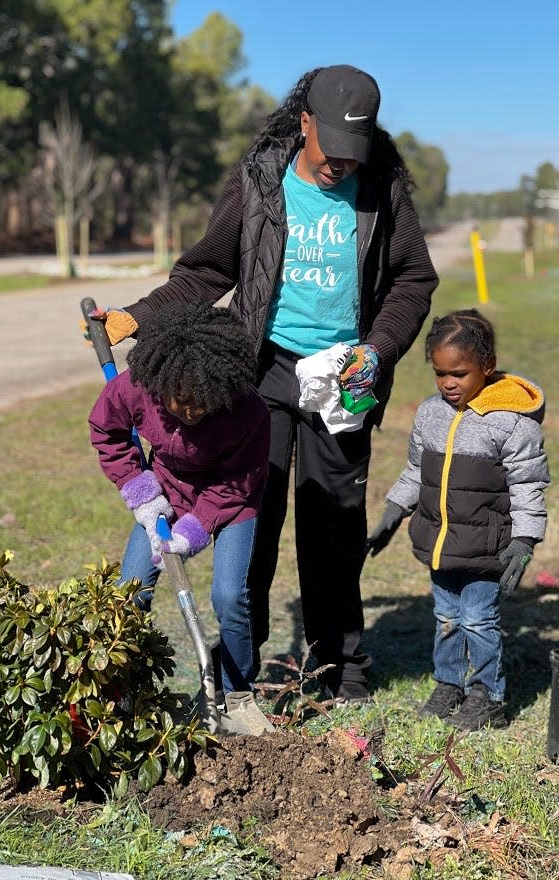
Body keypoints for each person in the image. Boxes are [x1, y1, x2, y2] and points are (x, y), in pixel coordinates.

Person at [90, 64, 439, 703]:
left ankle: (340, 667)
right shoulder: (259, 180)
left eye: (352, 154)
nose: (339, 165)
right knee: (256, 513)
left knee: (334, 520)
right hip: (263, 369)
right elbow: (206, 272)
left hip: (344, 377)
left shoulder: (382, 187)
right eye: (330, 148)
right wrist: (135, 317)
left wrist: (378, 349)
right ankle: (235, 667)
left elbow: (414, 281)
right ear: (304, 120)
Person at [366, 309, 549, 730]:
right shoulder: (430, 414)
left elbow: (528, 486)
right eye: (440, 374)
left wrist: (524, 542)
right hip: (440, 543)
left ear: (486, 366)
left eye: (460, 373)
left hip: (487, 548)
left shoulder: (512, 425)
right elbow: (416, 469)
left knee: (478, 620)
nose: (449, 383)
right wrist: (393, 511)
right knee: (446, 618)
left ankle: (488, 695)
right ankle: (449, 684)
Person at [88, 300, 271, 696]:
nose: (191, 412)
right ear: (163, 381)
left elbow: (238, 481)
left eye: (202, 403)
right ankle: (123, 690)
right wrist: (142, 493)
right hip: (165, 490)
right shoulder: (137, 386)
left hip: (233, 500)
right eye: (181, 401)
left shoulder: (247, 411)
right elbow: (108, 434)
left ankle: (237, 691)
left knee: (228, 596)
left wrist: (196, 528)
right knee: (131, 589)